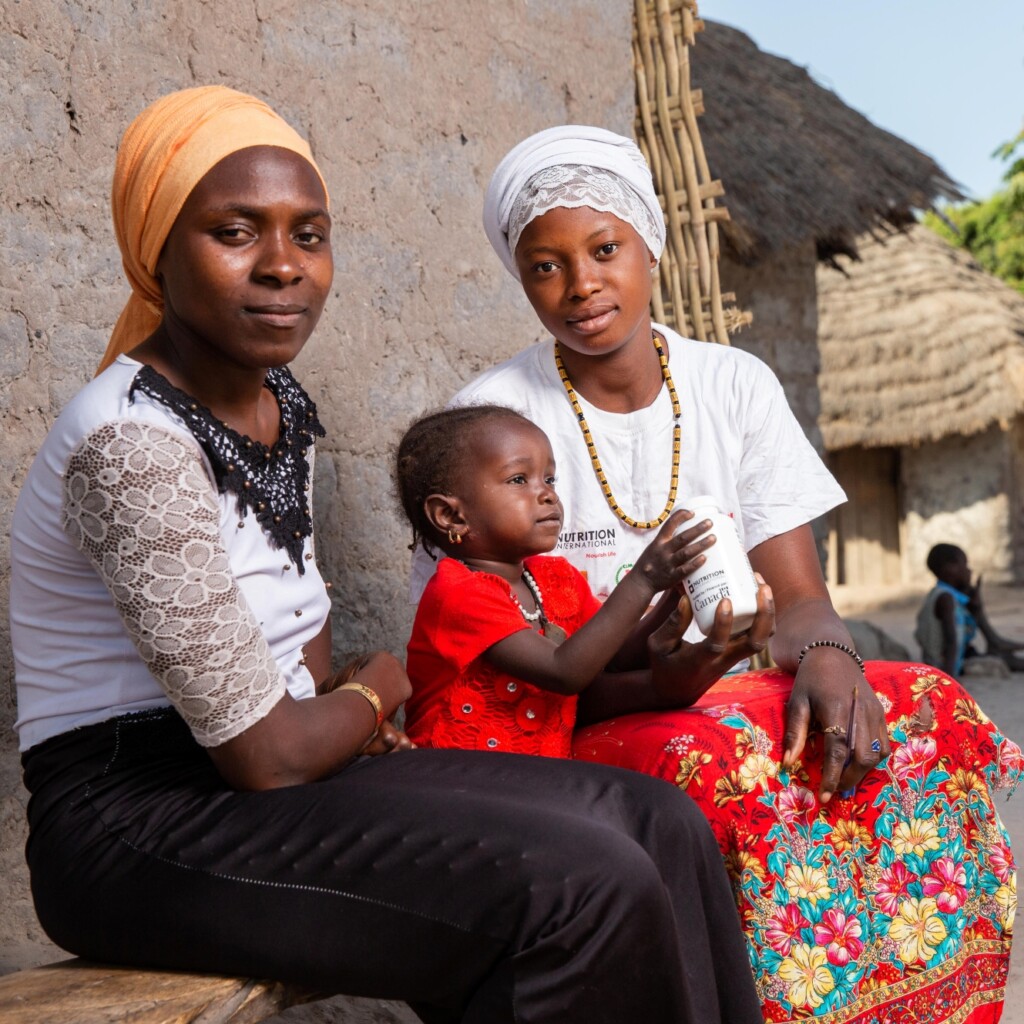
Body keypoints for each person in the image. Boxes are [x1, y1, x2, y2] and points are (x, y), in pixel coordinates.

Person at [10, 87, 764, 1024]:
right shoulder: (132, 445)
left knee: (659, 823)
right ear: (155, 250)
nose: (283, 267)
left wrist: (352, 706)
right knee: (581, 884)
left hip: (274, 770)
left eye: (309, 235)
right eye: (235, 232)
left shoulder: (279, 407)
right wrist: (378, 689)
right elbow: (275, 757)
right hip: (138, 828)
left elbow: (302, 664)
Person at [410, 124, 1022, 1023]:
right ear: (522, 278)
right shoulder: (492, 426)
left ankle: (919, 997)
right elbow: (532, 663)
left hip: (724, 684)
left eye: (604, 249)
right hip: (587, 713)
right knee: (724, 759)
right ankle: (773, 1002)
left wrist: (825, 655)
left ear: (648, 245)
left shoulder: (732, 385)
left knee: (920, 704)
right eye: (546, 266)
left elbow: (803, 596)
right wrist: (670, 668)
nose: (581, 286)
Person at [395, 404, 775, 755]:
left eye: (549, 478)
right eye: (518, 479)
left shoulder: (554, 578)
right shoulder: (458, 593)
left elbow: (611, 659)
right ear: (450, 515)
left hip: (537, 779)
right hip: (456, 781)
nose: (546, 494)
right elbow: (565, 671)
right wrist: (644, 578)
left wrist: (673, 597)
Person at [916, 543, 1024, 677]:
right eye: (965, 565)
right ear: (951, 568)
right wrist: (949, 679)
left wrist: (976, 607)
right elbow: (951, 642)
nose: (969, 571)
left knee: (1002, 656)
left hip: (956, 657)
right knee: (998, 664)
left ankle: (997, 646)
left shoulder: (949, 595)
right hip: (943, 665)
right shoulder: (945, 598)